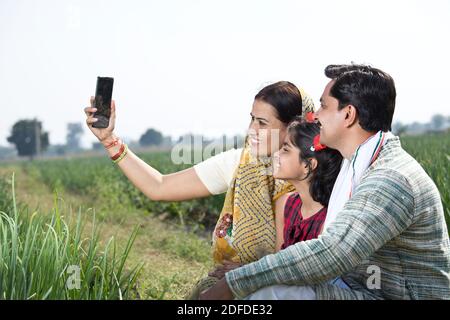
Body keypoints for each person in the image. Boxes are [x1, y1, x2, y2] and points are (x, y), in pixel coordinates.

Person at [200, 64, 450, 300]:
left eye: (323, 106)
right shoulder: (355, 163)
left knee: (274, 293)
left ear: (348, 114)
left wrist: (235, 282)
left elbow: (332, 253)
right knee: (270, 284)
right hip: (359, 288)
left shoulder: (391, 178)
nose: (315, 115)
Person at [83, 81, 315, 296]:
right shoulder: (241, 164)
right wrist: (109, 139)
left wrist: (247, 272)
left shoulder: (317, 179)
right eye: (252, 119)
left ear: (293, 127)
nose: (251, 130)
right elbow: (160, 187)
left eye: (262, 123)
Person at [208, 119, 343, 283]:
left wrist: (248, 272)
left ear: (309, 165)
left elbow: (313, 277)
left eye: (285, 149)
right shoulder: (286, 204)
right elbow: (278, 262)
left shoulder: (330, 218)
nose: (276, 154)